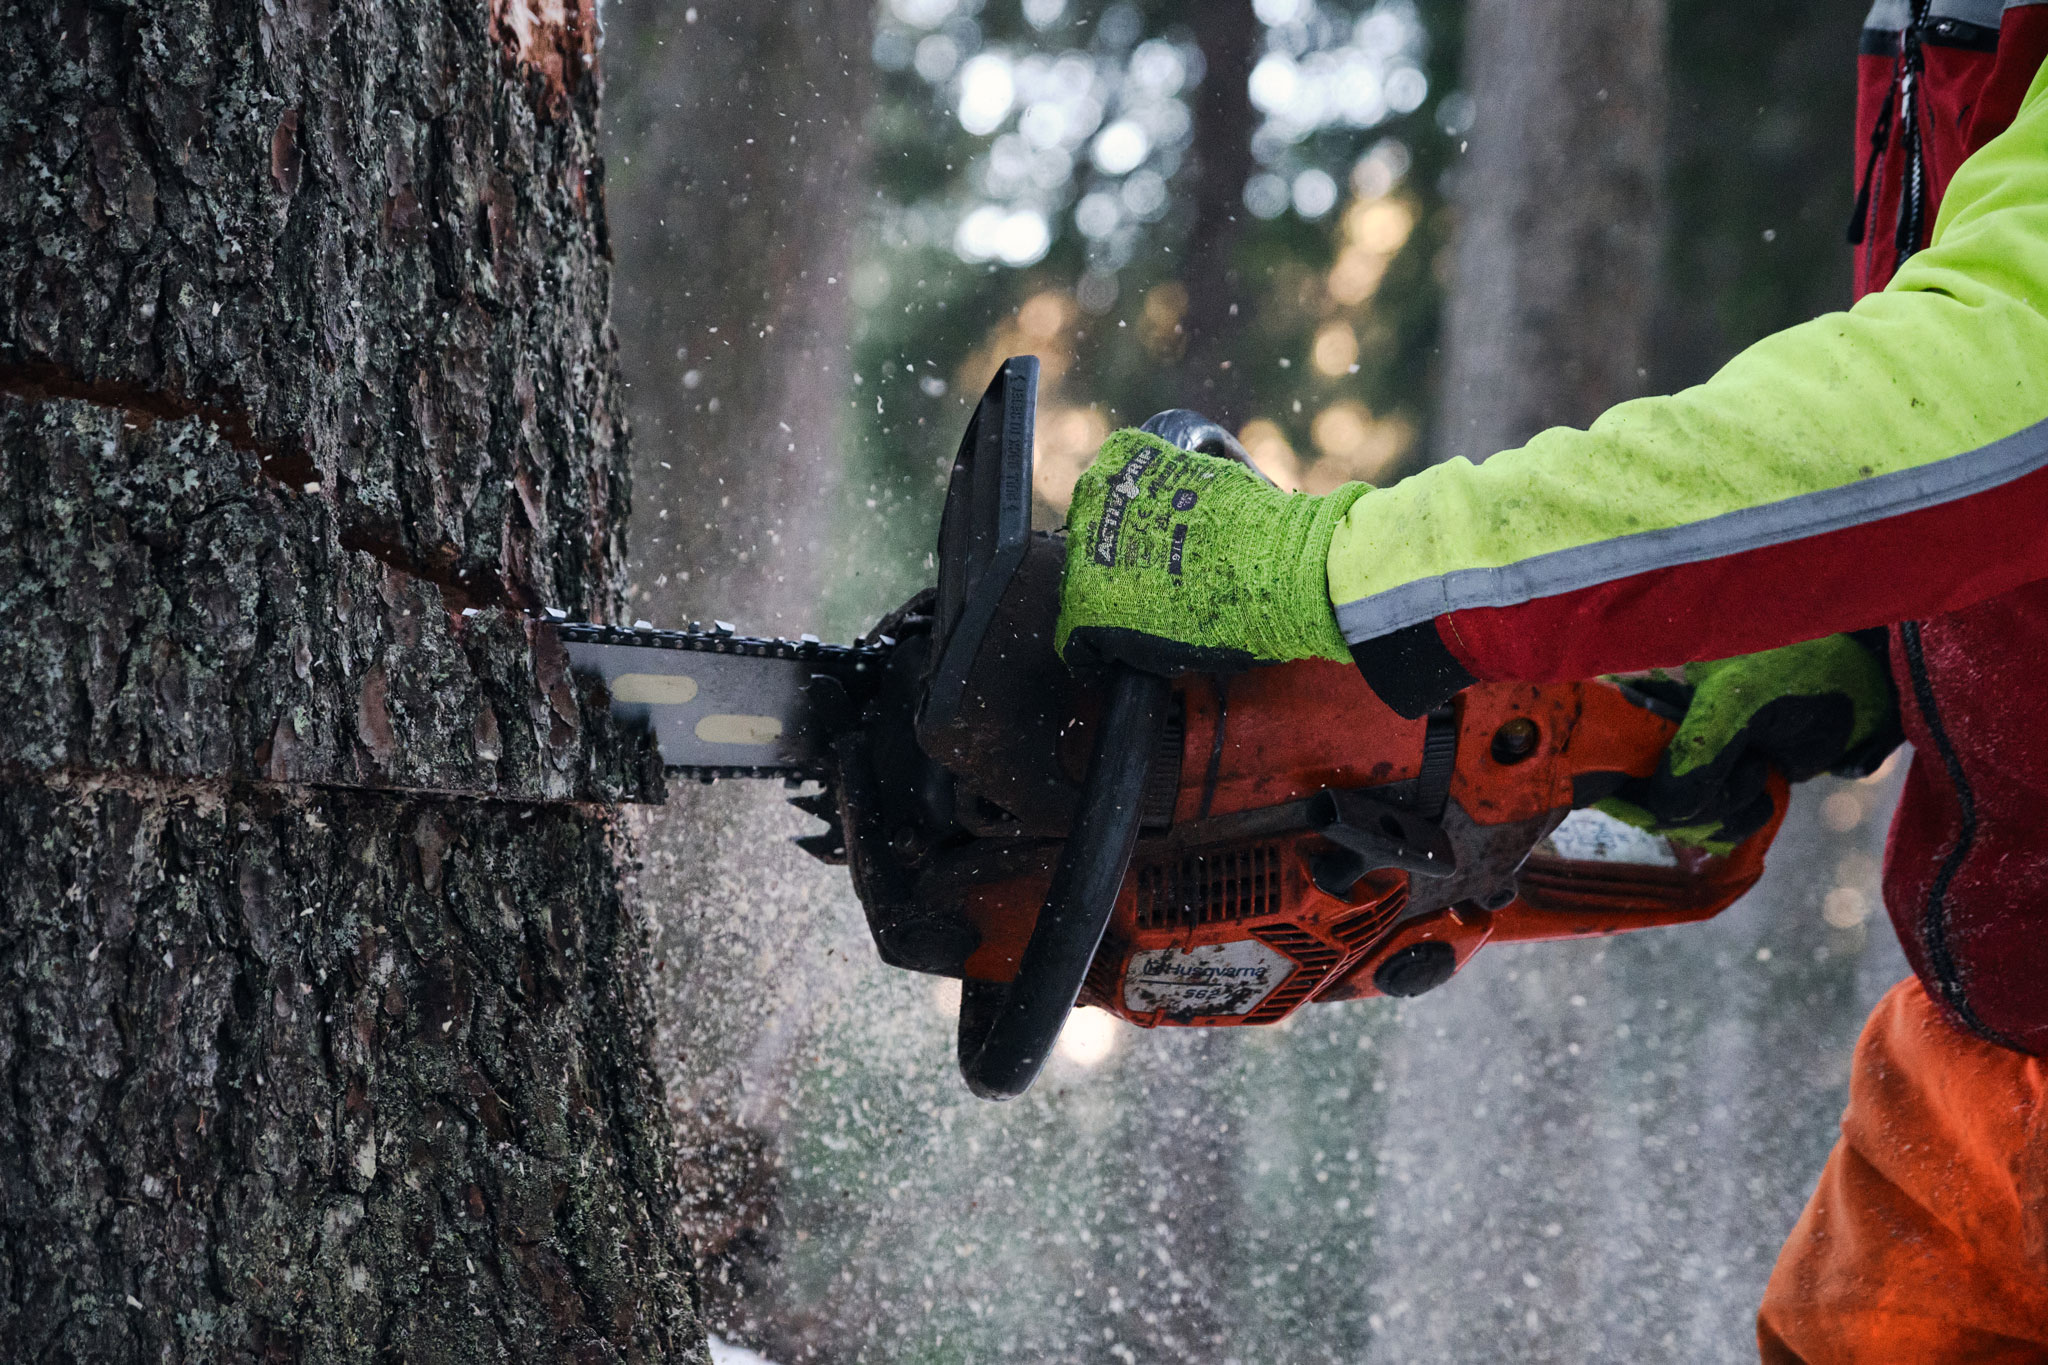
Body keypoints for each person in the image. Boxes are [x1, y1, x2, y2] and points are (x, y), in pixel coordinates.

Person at [1054, 5, 2048, 1359]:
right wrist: (1883, 643)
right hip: (1992, 1032)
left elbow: (1985, 402)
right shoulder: (1939, 25)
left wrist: (1352, 574)